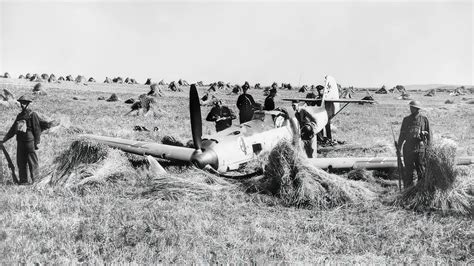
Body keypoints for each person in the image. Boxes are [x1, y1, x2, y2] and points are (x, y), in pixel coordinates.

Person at [1, 95, 42, 184]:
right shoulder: (19, 116)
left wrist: (37, 142)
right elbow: (13, 129)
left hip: (29, 142)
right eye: (21, 103)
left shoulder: (32, 114)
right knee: (21, 162)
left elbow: (37, 129)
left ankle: (36, 181)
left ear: (28, 104)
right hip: (20, 142)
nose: (22, 105)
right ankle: (23, 181)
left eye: (24, 103)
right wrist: (5, 139)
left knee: (32, 162)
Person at [398, 100, 431, 188]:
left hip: (420, 147)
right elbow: (402, 134)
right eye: (410, 107)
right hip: (408, 147)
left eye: (413, 107)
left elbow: (429, 135)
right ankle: (408, 190)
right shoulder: (406, 120)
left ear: (417, 109)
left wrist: (428, 148)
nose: (411, 109)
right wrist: (399, 147)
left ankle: (421, 190)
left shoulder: (424, 119)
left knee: (421, 169)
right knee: (409, 170)